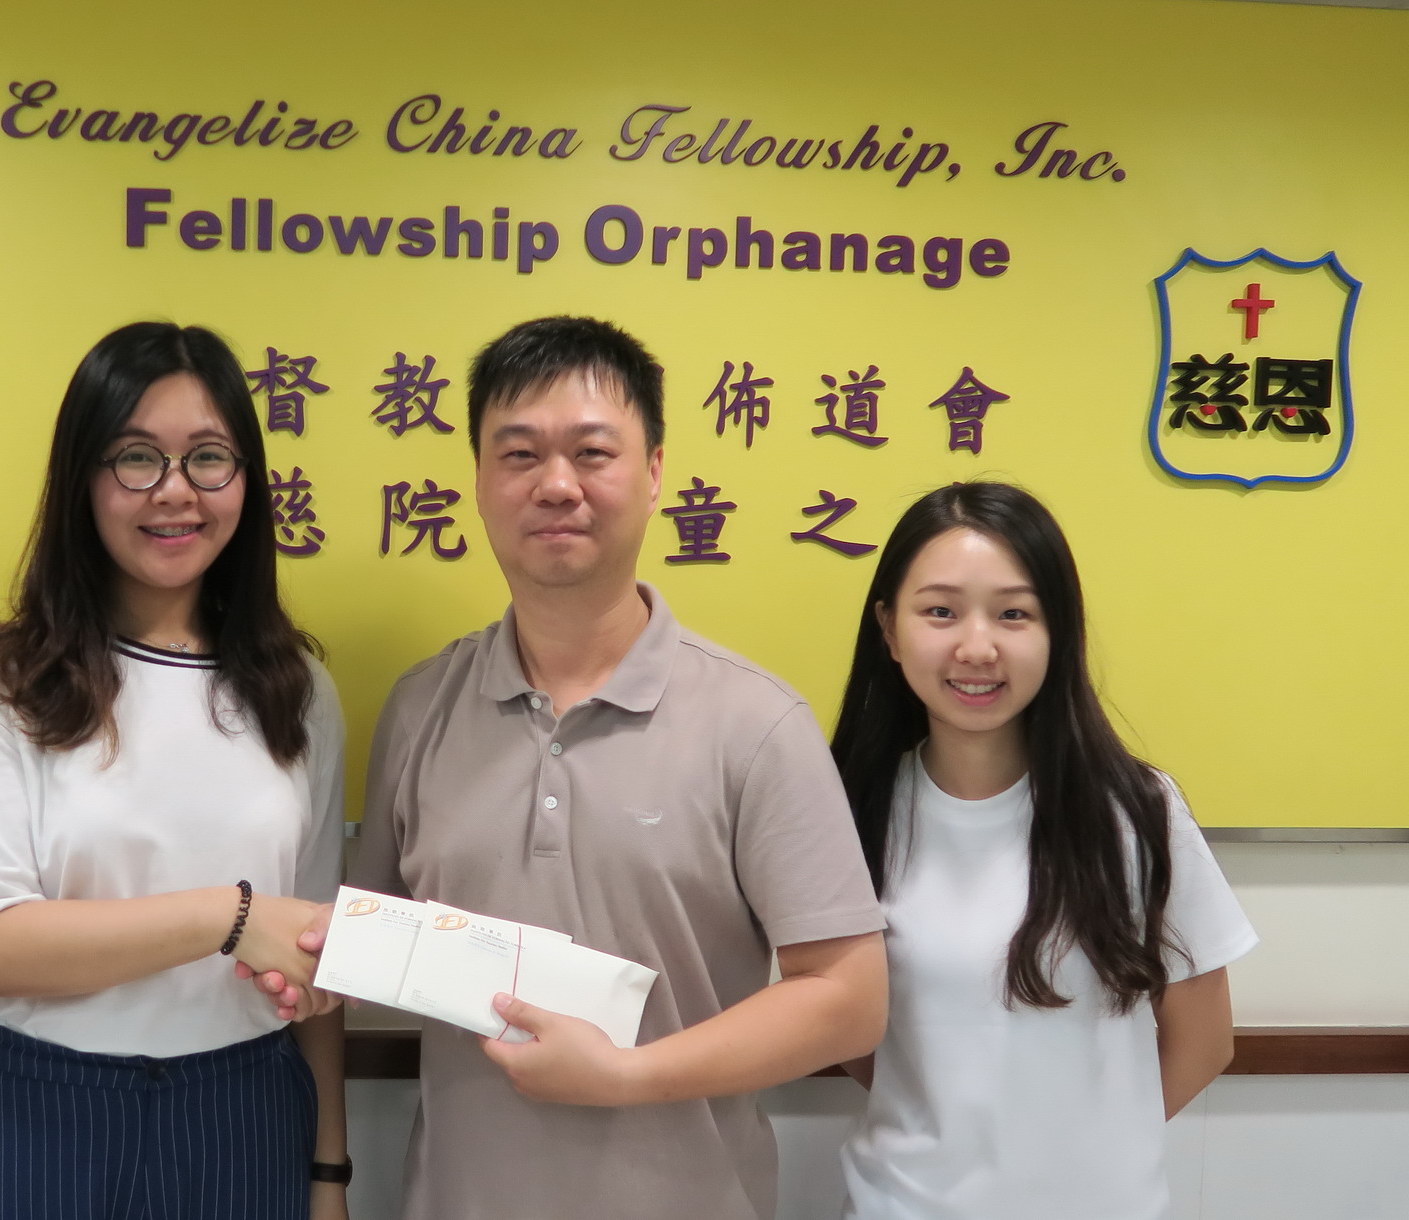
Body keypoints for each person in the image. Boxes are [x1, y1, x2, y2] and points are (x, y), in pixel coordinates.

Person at [275, 315, 888, 1220]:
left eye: (592, 453)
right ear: (479, 480)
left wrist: (627, 1076)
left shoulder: (757, 724)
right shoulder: (420, 707)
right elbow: (368, 951)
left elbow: (849, 999)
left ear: (655, 472)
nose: (556, 484)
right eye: (519, 454)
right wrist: (289, 956)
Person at [0, 321, 349, 1220]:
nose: (175, 491)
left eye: (209, 459)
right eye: (137, 458)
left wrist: (329, 1173)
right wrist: (227, 918)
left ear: (247, 479)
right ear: (83, 478)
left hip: (245, 1114)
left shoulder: (295, 689)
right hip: (42, 1116)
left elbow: (316, 961)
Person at [830, 480, 1257, 1219]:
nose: (977, 647)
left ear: (1059, 633)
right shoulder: (846, 811)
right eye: (940, 611)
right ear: (889, 630)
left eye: (1014, 613)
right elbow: (848, 1030)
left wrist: (1084, 1154)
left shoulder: (1137, 811)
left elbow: (1204, 1039)